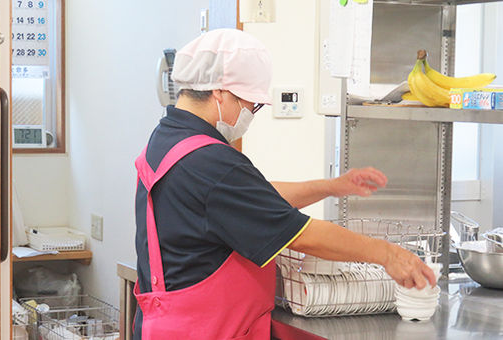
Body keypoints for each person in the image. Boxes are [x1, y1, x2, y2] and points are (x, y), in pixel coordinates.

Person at [133, 28, 435, 340]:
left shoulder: (168, 138)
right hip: (210, 330)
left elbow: (253, 199)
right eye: (253, 104)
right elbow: (304, 235)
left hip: (167, 326)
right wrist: (387, 254)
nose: (252, 114)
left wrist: (330, 186)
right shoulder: (212, 162)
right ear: (221, 92)